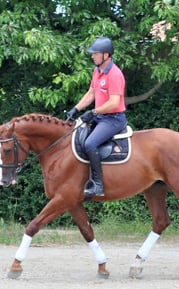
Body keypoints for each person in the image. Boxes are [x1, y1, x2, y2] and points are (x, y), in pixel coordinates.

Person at [66, 36, 127, 197]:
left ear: (106, 55)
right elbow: (91, 93)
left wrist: (93, 112)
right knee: (77, 136)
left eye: (95, 53)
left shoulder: (115, 74)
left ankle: (98, 185)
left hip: (113, 119)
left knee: (90, 144)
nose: (92, 56)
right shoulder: (97, 71)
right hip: (101, 117)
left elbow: (114, 102)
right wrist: (76, 108)